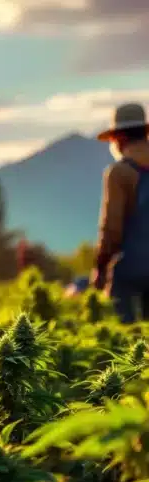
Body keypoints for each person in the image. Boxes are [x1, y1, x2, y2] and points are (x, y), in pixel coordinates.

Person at [91, 103, 149, 323]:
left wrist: (100, 267)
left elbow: (112, 229)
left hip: (132, 271)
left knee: (125, 338)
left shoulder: (119, 173)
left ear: (119, 138)